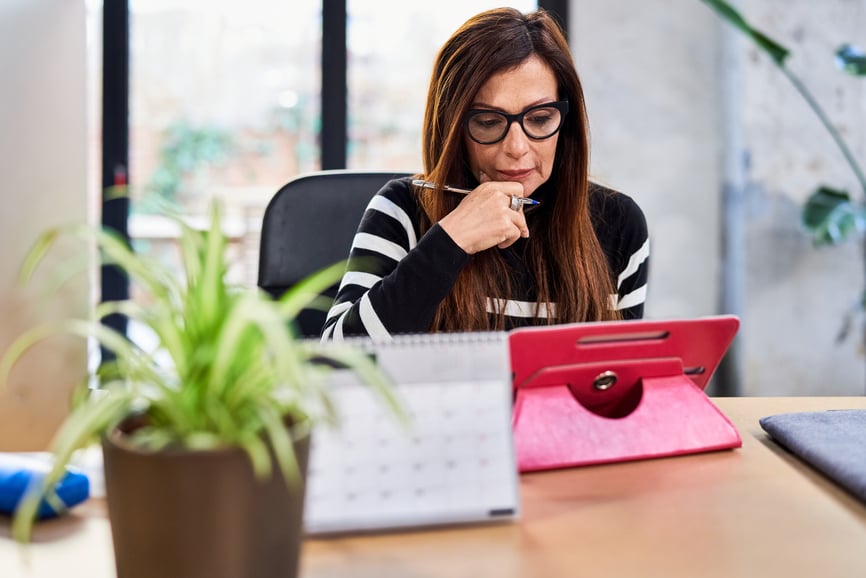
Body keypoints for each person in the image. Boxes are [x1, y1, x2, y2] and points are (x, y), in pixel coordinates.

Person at [322, 7, 649, 341]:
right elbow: (334, 362)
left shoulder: (619, 223)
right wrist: (451, 240)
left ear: (565, 123)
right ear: (454, 127)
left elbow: (619, 378)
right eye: (489, 122)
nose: (517, 148)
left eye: (539, 119)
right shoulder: (402, 208)